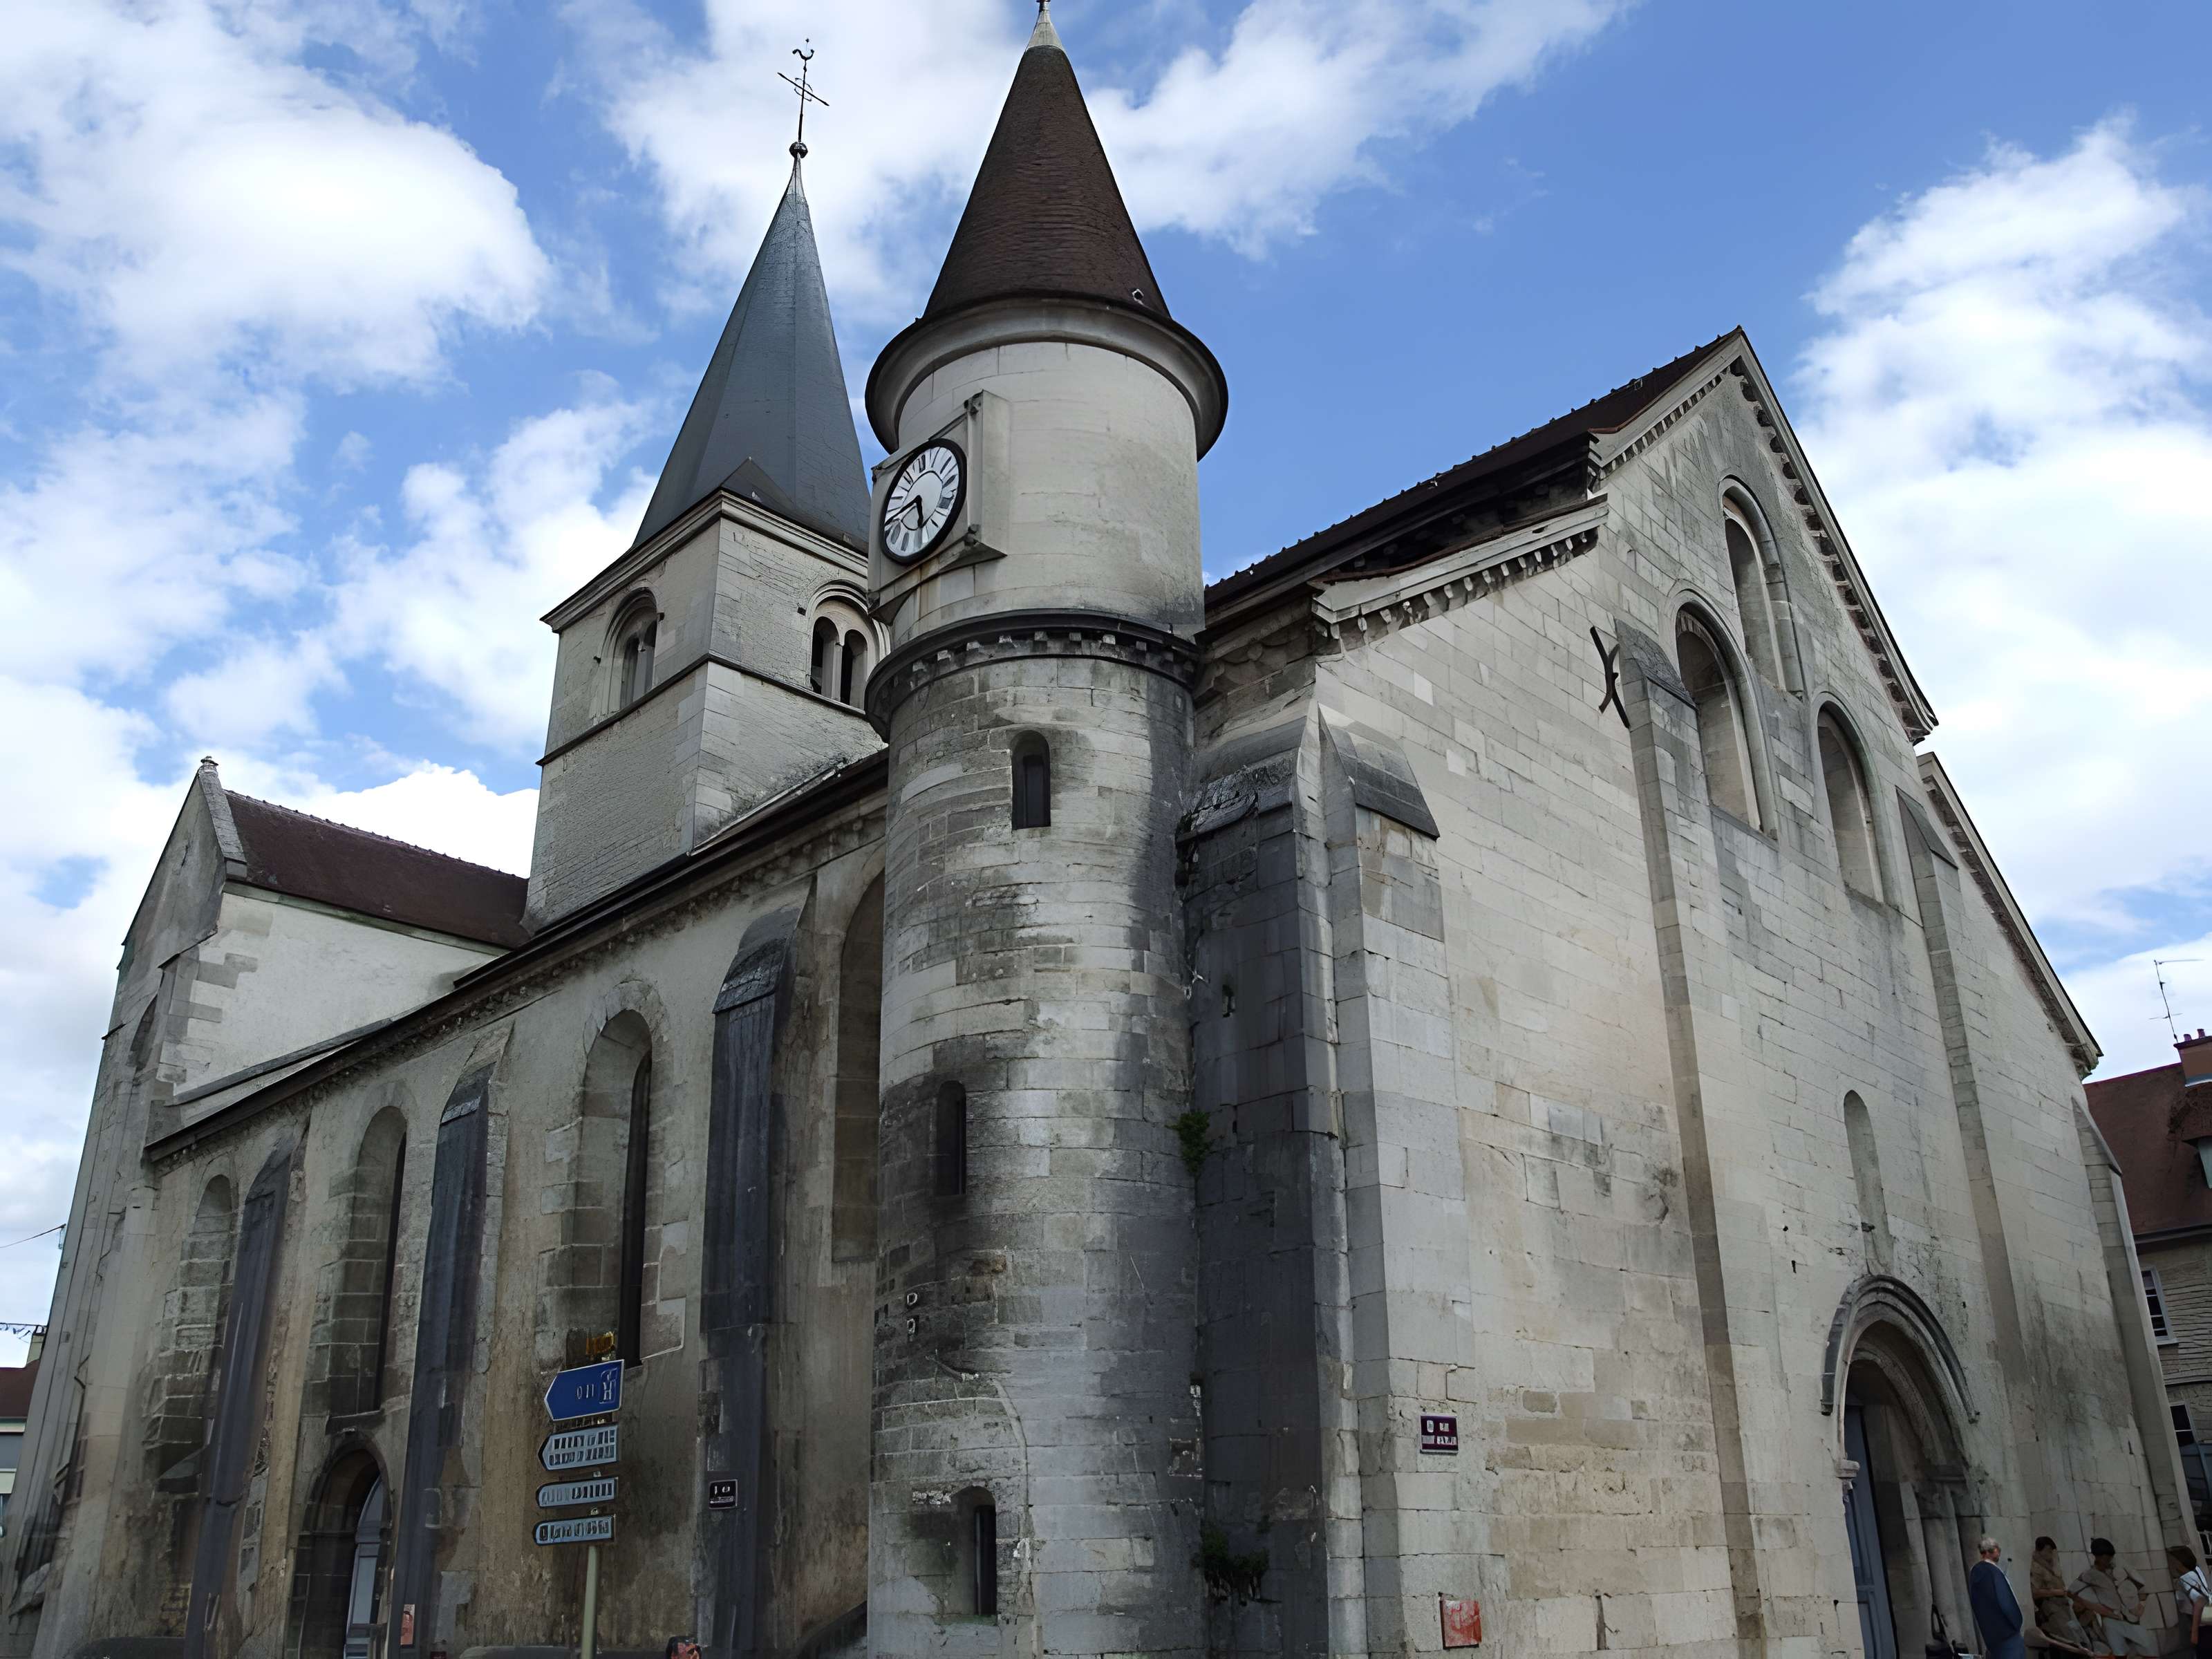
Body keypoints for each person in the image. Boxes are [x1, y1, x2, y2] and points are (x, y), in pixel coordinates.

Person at [2074, 1538, 2152, 1658]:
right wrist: (2098, 1609)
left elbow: (2142, 1587)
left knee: (2147, 1650)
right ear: (2097, 1557)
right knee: (2119, 1654)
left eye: (2110, 1558)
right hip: (2111, 1621)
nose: (2109, 1561)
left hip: (2132, 1618)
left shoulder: (2120, 1569)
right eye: (2106, 1558)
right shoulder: (2089, 1575)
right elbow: (2072, 1593)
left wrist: (2141, 1604)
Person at [2032, 1538, 2093, 1651]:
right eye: (2048, 1550)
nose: (2051, 1554)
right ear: (2040, 1550)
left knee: (2079, 1634)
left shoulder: (2053, 1565)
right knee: (2070, 1639)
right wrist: (2057, 1592)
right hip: (2050, 1607)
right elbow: (2035, 1592)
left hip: (2063, 1605)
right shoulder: (2036, 1568)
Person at [1975, 1537, 2029, 1659]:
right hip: (2007, 1634)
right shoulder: (1992, 1572)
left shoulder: (1978, 1571)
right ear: (1990, 1551)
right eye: (1997, 1550)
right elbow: (2006, 1603)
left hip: (1992, 1634)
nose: (1999, 1552)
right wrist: (2016, 1624)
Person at [2171, 1546, 2212, 1659]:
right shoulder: (2198, 1571)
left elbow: (2199, 1603)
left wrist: (2194, 1632)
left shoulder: (2184, 1581)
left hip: (2204, 1626)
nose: (2170, 1566)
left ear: (2179, 1563)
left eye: (2172, 1562)